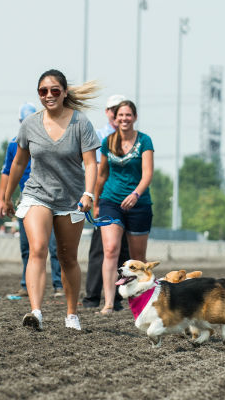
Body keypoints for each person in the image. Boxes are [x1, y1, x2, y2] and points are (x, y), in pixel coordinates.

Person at [2, 69, 100, 331]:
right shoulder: (30, 124)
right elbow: (19, 161)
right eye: (43, 91)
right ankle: (35, 312)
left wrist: (88, 193)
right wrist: (8, 194)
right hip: (37, 194)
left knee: (67, 258)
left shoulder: (81, 123)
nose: (48, 96)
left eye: (54, 90)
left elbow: (91, 163)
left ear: (64, 92)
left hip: (71, 198)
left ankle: (71, 313)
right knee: (38, 249)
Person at [0, 103, 64, 298]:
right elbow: (7, 172)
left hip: (51, 198)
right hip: (25, 197)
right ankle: (27, 284)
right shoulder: (13, 143)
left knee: (54, 245)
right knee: (27, 246)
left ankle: (58, 284)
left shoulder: (50, 140)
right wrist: (3, 199)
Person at [94, 100, 154, 315]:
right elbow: (101, 175)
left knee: (138, 258)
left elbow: (147, 174)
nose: (124, 119)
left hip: (139, 204)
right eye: (121, 115)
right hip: (111, 201)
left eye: (128, 115)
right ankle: (109, 302)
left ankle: (142, 300)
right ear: (115, 118)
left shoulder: (145, 141)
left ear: (135, 117)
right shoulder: (107, 142)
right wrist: (95, 200)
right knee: (110, 249)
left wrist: (136, 194)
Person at [82, 95, 131, 310]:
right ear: (107, 112)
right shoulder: (100, 136)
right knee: (100, 248)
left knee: (123, 251)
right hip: (106, 197)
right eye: (113, 110)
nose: (115, 114)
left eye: (120, 110)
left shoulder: (130, 138)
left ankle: (118, 297)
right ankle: (92, 296)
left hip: (126, 199)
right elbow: (95, 169)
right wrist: (94, 197)